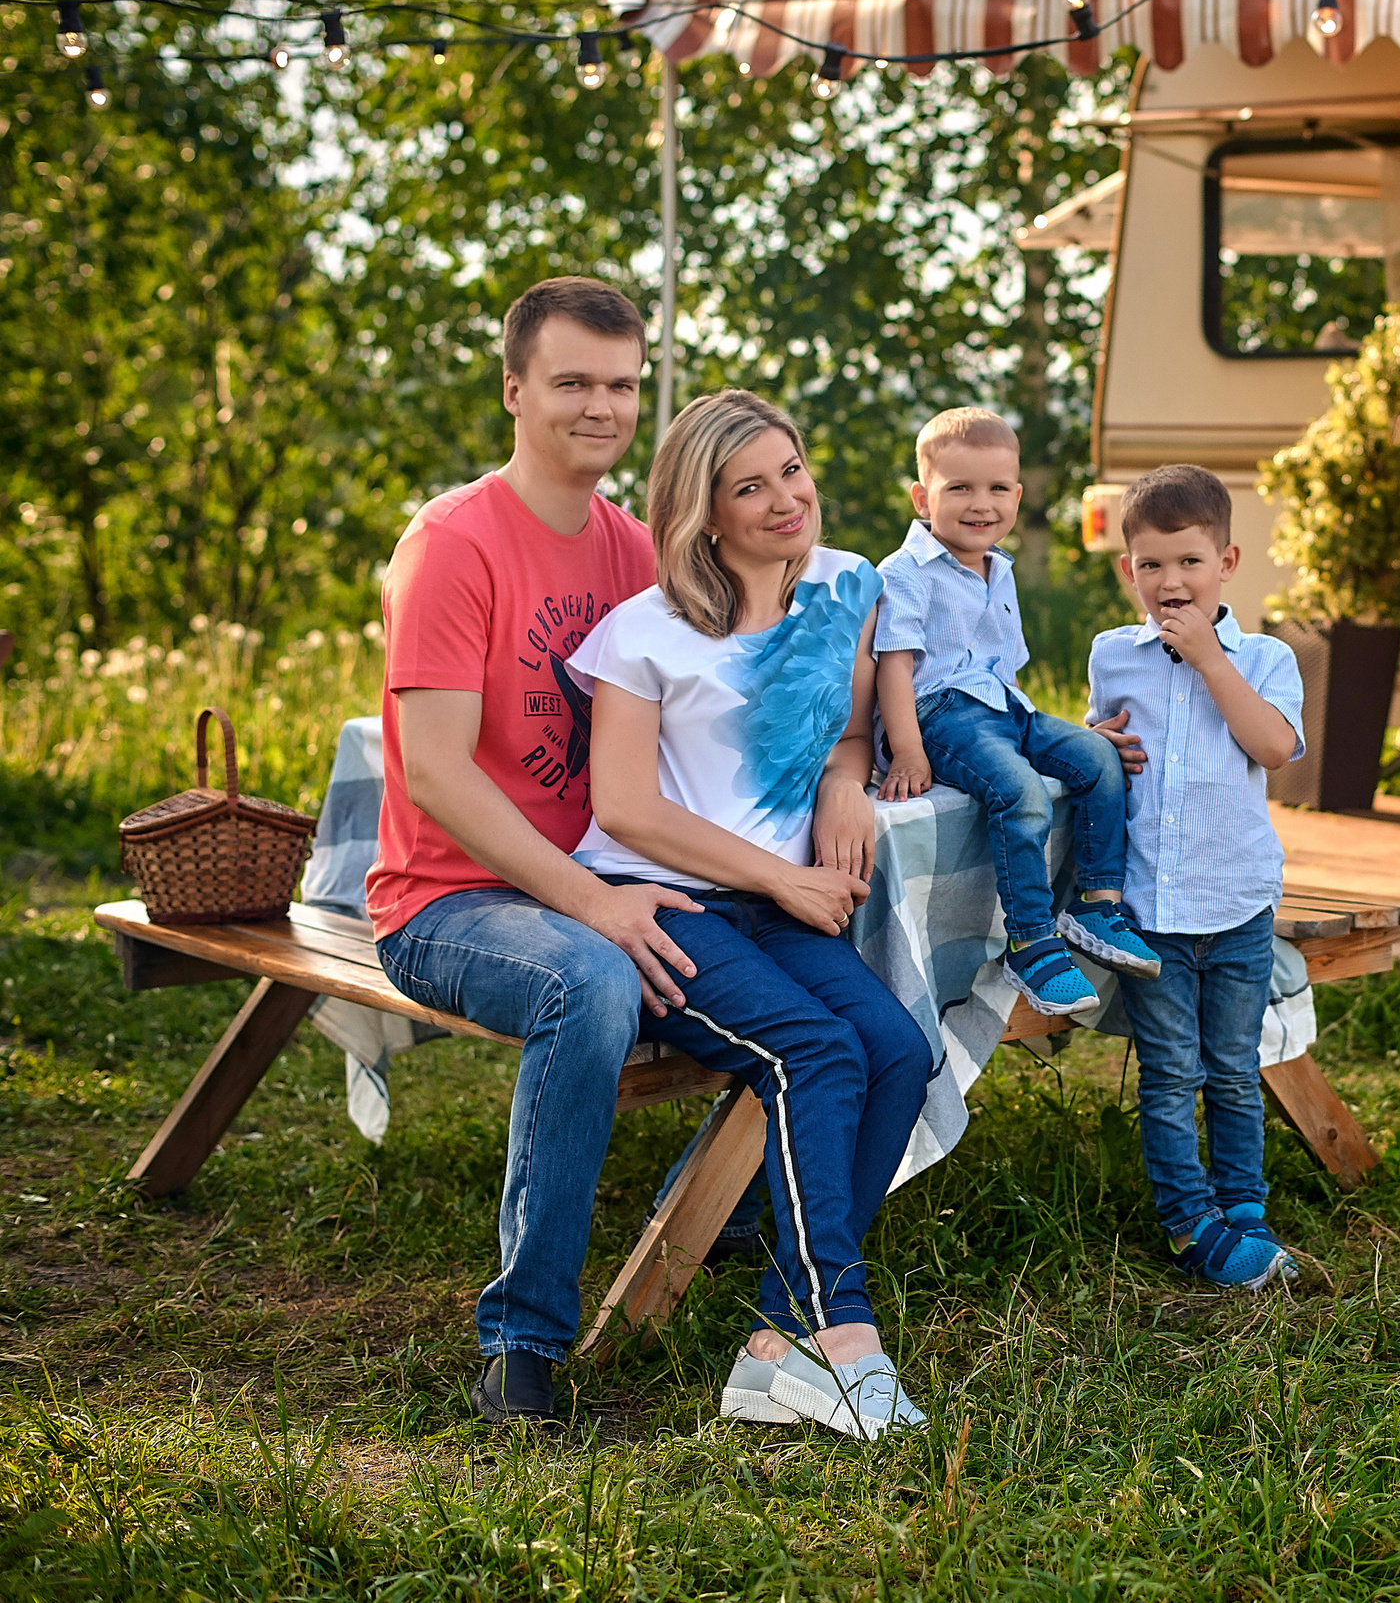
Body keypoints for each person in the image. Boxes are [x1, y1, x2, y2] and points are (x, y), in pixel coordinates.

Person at [371, 277, 761, 1426]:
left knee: (788, 933)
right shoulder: (452, 542)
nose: (602, 406)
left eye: (623, 385)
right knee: (590, 978)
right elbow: (437, 773)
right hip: (448, 902)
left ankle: (724, 1210)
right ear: (514, 389)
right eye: (574, 381)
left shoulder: (635, 546)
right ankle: (523, 1340)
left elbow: (722, 702)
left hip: (601, 878)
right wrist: (594, 900)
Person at [570, 387, 933, 1438]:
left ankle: (775, 1342)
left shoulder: (846, 586)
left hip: (774, 898)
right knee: (814, 1050)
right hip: (663, 902)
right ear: (703, 511)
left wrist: (843, 786)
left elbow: (847, 731)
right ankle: (842, 1336)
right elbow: (624, 806)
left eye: (792, 469)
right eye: (749, 486)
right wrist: (780, 876)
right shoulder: (643, 633)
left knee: (898, 1052)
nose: (786, 499)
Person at [1084, 466, 1307, 1291]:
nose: (1170, 580)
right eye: (1151, 564)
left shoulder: (1266, 657)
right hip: (1152, 908)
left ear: (1227, 562)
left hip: (1237, 902)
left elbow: (1274, 747)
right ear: (1127, 570)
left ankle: (1243, 1205)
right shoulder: (1113, 654)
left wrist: (1210, 658)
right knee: (1172, 1072)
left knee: (1234, 1068)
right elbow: (1101, 753)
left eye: (1189, 562)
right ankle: (1188, 1219)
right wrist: (1095, 743)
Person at [872, 408, 1159, 1016]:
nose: (982, 504)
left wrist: (1050, 735)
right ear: (923, 498)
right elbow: (893, 667)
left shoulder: (998, 569)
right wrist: (907, 749)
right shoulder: (904, 573)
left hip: (1005, 707)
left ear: (1018, 496)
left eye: (998, 488)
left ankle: (1097, 905)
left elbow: (1005, 672)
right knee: (1021, 791)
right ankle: (1030, 941)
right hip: (938, 714)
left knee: (1098, 758)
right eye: (960, 488)